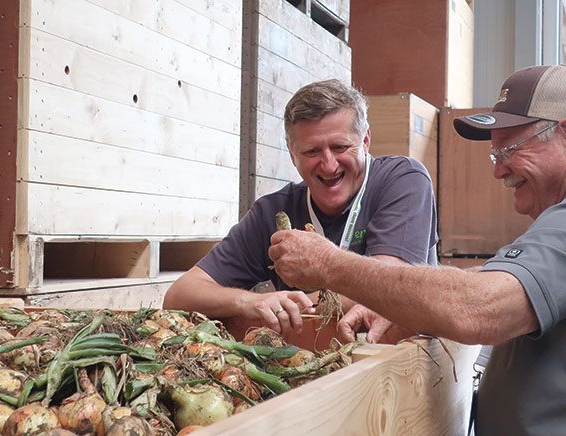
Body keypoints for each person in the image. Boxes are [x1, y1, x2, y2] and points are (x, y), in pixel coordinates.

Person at [269, 65, 566, 435]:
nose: (498, 170)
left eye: (509, 151)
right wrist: (398, 301)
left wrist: (329, 263)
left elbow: (478, 308)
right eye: (495, 155)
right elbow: (492, 285)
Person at [163, 79, 438, 341]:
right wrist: (251, 302)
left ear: (365, 140)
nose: (329, 165)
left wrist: (292, 304)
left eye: (340, 147)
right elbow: (179, 296)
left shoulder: (403, 180)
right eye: (311, 152)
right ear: (292, 153)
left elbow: (391, 285)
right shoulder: (272, 211)